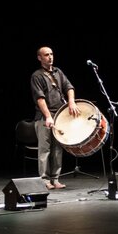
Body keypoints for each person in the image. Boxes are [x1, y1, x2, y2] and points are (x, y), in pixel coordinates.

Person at [30, 46, 78, 189]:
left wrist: (71, 101)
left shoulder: (58, 72)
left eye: (51, 54)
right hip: (44, 117)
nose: (50, 57)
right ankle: (44, 180)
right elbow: (40, 98)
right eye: (46, 55)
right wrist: (47, 117)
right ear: (40, 58)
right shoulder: (37, 76)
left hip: (59, 116)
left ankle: (55, 178)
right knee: (45, 149)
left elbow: (69, 87)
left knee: (58, 150)